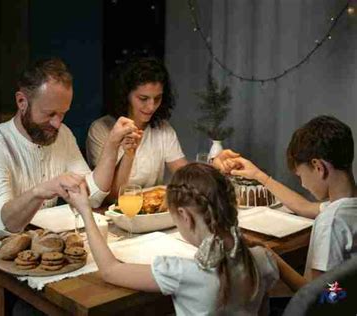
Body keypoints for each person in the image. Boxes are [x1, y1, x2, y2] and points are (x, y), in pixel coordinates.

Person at [0, 58, 140, 290]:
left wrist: (113, 145)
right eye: (49, 113)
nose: (57, 123)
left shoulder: (63, 134)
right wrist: (40, 191)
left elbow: (92, 196)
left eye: (63, 113)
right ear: (22, 101)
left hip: (43, 247)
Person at [65, 163, 279, 315]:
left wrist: (85, 210)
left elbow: (110, 271)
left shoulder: (183, 272)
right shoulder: (262, 259)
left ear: (185, 216)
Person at [86, 57, 237, 201]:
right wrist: (129, 155)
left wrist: (212, 166)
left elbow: (185, 174)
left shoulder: (163, 128)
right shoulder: (101, 130)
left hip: (152, 212)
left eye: (157, 98)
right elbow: (113, 197)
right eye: (143, 99)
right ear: (126, 95)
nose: (151, 107)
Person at [228, 115, 357, 281]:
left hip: (321, 305)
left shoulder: (331, 222)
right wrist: (259, 176)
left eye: (300, 175)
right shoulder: (345, 208)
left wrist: (270, 256)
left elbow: (317, 297)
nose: (303, 184)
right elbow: (304, 207)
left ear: (318, 167)